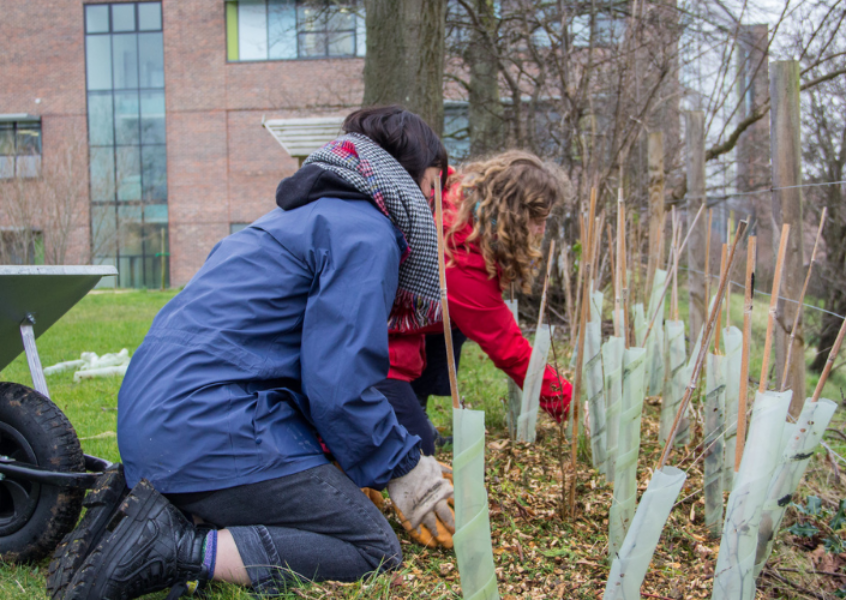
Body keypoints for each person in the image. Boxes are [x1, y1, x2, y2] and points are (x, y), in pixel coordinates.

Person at [53, 106, 456, 600]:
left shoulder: (295, 218)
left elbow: (300, 370)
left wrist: (360, 466)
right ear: (413, 181)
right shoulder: (367, 233)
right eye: (436, 186)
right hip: (208, 430)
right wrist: (403, 467)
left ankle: (140, 514)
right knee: (369, 545)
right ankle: (174, 546)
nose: (437, 207)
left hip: (157, 425)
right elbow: (337, 387)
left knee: (338, 505)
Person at [375, 151, 574, 457]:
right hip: (374, 343)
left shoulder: (459, 197)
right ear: (515, 216)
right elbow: (509, 349)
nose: (541, 231)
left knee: (452, 323)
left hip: (397, 322)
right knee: (417, 452)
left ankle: (414, 405)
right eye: (539, 220)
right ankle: (397, 412)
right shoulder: (460, 255)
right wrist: (570, 406)